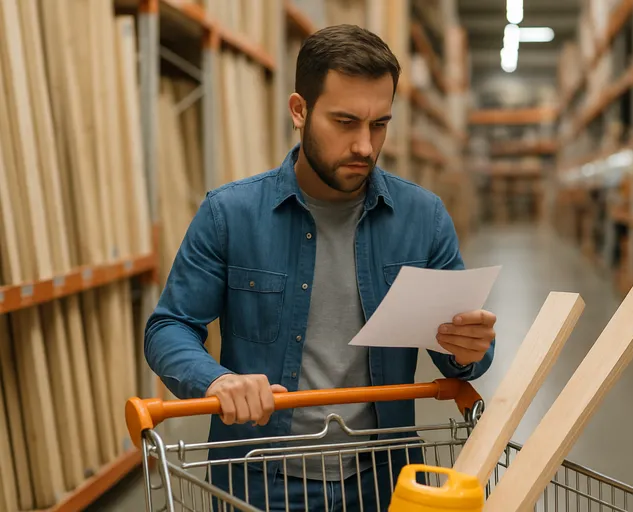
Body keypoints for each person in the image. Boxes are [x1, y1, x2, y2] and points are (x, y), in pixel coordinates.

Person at [144, 23, 496, 511]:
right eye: (345, 122)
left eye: (379, 124)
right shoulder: (230, 215)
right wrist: (215, 380)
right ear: (299, 111)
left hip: (384, 479)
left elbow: (462, 358)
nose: (365, 147)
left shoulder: (424, 217)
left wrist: (467, 349)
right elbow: (169, 328)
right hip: (262, 479)